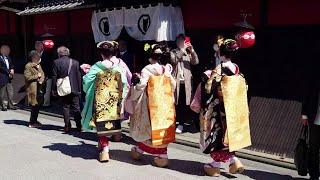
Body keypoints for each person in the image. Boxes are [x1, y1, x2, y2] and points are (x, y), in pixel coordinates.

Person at [190, 37, 251, 177]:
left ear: (220, 54)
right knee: (228, 135)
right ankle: (233, 161)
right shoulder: (237, 70)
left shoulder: (220, 69)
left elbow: (209, 87)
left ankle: (215, 166)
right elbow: (244, 87)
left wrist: (207, 77)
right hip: (233, 108)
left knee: (216, 135)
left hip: (219, 108)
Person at [129, 43, 176, 167]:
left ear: (149, 56)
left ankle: (140, 150)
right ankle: (162, 154)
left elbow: (141, 86)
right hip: (164, 103)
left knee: (149, 126)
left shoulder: (147, 69)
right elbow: (173, 85)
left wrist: (135, 85)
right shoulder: (166, 69)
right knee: (162, 126)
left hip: (151, 103)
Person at [81, 41, 128, 162]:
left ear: (101, 53)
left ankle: (105, 149)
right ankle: (103, 145)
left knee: (100, 124)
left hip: (99, 99)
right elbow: (123, 82)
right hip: (112, 99)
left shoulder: (97, 66)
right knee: (109, 123)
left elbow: (87, 80)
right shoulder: (116, 66)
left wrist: (87, 83)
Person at [170, 33, 199, 134]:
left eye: (183, 41)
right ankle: (175, 123)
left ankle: (182, 123)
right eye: (180, 41)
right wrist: (182, 50)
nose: (182, 43)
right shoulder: (173, 52)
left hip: (186, 82)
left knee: (185, 103)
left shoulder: (188, 52)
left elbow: (196, 62)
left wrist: (192, 50)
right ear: (177, 42)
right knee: (175, 103)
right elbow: (174, 60)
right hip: (176, 82)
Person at [52, 46, 82, 133]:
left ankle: (67, 126)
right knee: (76, 106)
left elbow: (54, 76)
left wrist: (54, 88)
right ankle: (79, 125)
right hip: (74, 87)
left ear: (59, 54)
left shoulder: (56, 62)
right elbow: (78, 76)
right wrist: (79, 89)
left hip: (63, 88)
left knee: (65, 106)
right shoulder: (75, 62)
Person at [301, 83, 320, 180]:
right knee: (314, 150)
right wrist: (304, 115)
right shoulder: (315, 81)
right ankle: (314, 175)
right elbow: (307, 96)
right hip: (315, 121)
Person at [24, 50, 45, 128]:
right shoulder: (28, 66)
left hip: (38, 88)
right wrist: (37, 76)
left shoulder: (38, 65)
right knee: (34, 105)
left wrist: (41, 80)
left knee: (38, 105)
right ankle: (32, 122)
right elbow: (27, 77)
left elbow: (42, 74)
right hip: (32, 89)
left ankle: (34, 120)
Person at [35, 41, 54, 107]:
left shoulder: (47, 53)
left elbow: (50, 65)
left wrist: (46, 75)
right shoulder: (35, 53)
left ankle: (46, 103)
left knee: (47, 90)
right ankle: (39, 102)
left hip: (47, 74)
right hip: (37, 74)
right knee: (40, 89)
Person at [0, 45, 16, 111]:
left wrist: (12, 69)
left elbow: (11, 64)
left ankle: (11, 105)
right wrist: (8, 71)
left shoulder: (8, 57)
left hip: (9, 78)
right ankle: (3, 106)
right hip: (2, 77)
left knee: (10, 93)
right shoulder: (0, 58)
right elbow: (0, 67)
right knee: (2, 94)